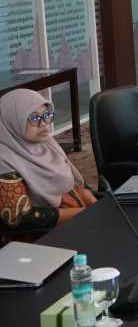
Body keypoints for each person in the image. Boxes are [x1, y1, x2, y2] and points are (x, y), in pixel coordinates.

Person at [0, 89, 95, 230]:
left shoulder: (46, 143)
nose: (44, 123)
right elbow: (19, 218)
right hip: (41, 236)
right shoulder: (4, 160)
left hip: (75, 216)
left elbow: (67, 182)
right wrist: (83, 214)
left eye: (47, 115)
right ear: (12, 121)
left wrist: (86, 195)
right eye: (34, 118)